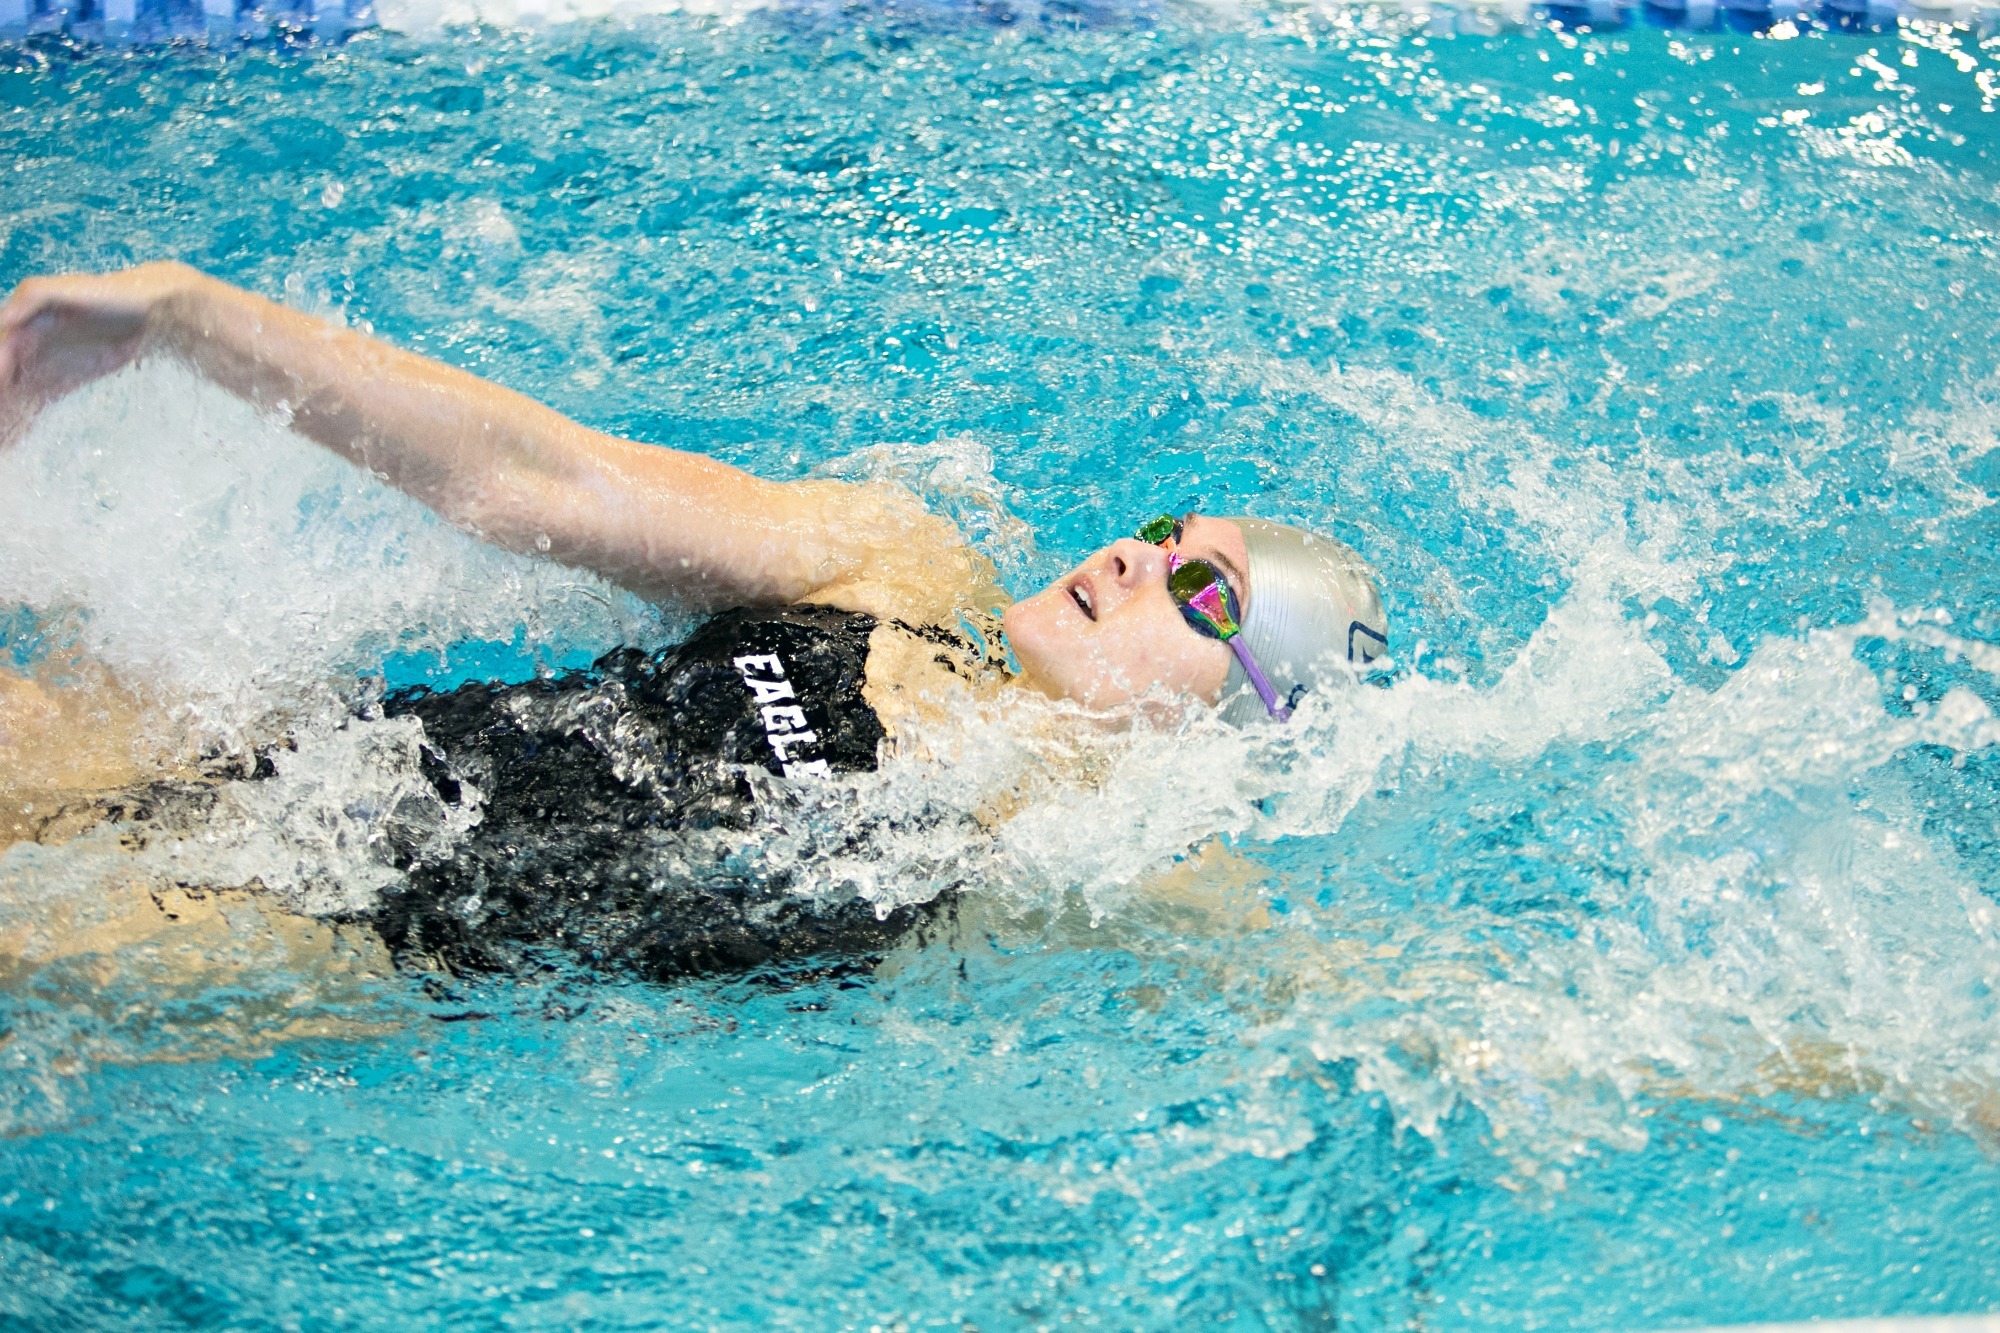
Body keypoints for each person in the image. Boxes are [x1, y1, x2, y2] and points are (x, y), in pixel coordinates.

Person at [0, 261, 1389, 984]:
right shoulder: (890, 570)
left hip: (292, 937)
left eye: (1205, 594)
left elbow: (1361, 1000)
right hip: (297, 762)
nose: (1131, 559)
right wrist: (185, 317)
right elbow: (526, 478)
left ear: (1234, 715)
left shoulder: (1099, 871)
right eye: (1161, 536)